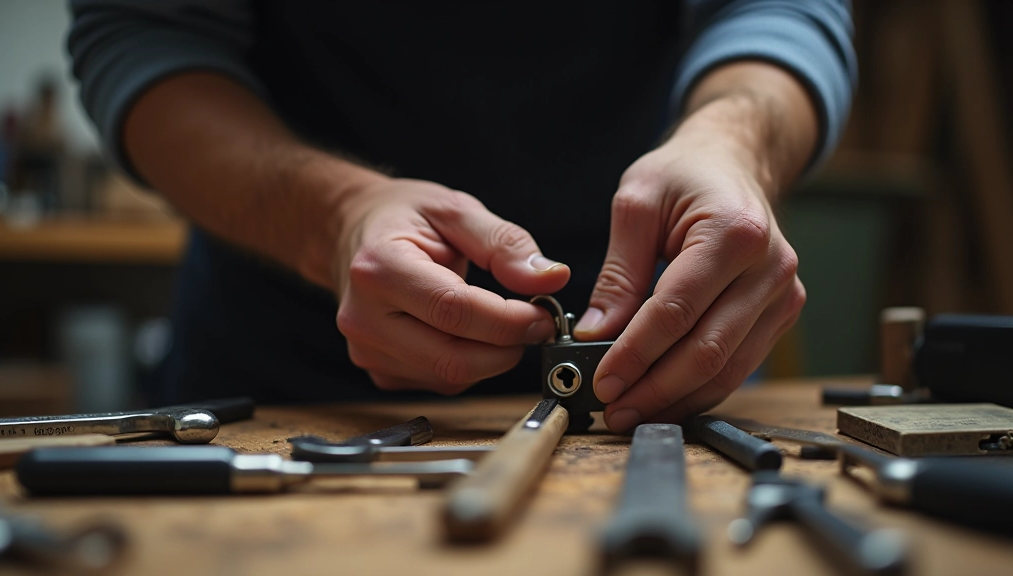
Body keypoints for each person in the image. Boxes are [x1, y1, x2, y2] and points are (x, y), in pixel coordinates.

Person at [68, 1, 855, 433]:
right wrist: (337, 217)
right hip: (285, 384)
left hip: (671, 382)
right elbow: (143, 34)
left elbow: (777, 11)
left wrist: (734, 141)